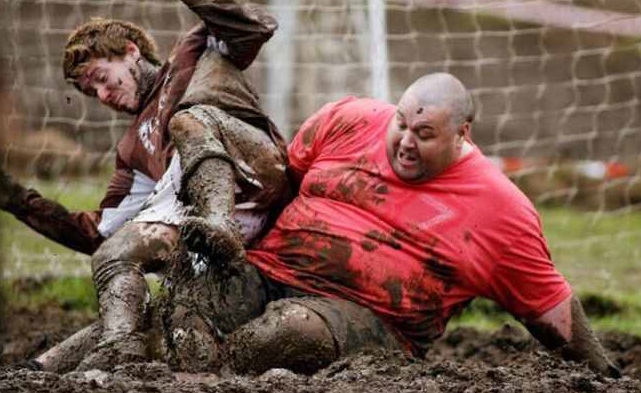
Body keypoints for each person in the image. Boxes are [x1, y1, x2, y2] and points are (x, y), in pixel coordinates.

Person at [159, 72, 621, 377]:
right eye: (401, 123)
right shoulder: (347, 119)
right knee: (193, 290)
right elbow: (282, 185)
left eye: (425, 135)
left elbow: (549, 306)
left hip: (367, 318)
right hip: (269, 272)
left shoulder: (502, 211)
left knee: (291, 332)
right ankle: (136, 353)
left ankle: (199, 377)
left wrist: (606, 376)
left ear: (463, 135)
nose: (405, 142)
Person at [0, 0, 289, 372]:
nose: (103, 96)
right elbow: (100, 231)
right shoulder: (133, 148)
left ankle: (220, 222)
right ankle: (49, 366)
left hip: (251, 170)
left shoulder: (193, 53)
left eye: (102, 78)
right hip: (207, 239)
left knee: (188, 122)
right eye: (92, 93)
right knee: (120, 268)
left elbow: (256, 25)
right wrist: (19, 200)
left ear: (130, 52)